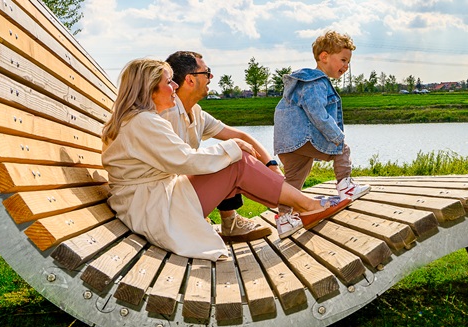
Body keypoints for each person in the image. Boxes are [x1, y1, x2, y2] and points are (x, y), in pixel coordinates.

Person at [101, 59, 350, 261]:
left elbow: (182, 158)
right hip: (152, 207)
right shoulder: (143, 121)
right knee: (237, 162)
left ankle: (298, 208)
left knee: (235, 162)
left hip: (153, 199)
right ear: (149, 88)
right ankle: (306, 206)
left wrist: (241, 152)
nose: (174, 87)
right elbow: (182, 160)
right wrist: (232, 149)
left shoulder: (140, 120)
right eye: (168, 82)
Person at [161, 51, 294, 240]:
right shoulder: (167, 115)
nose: (211, 77)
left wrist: (271, 164)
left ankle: (232, 221)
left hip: (184, 195)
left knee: (230, 153)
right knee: (231, 158)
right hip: (171, 205)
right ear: (190, 80)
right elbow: (178, 163)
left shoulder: (196, 113)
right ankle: (302, 206)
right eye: (206, 73)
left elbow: (241, 135)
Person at [274, 30, 370, 199]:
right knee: (342, 148)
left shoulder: (301, 83)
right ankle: (346, 187)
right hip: (303, 138)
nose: (346, 66)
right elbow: (316, 111)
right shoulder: (317, 82)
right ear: (324, 57)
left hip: (286, 143)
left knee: (294, 179)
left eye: (348, 62)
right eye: (343, 60)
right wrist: (336, 135)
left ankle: (285, 216)